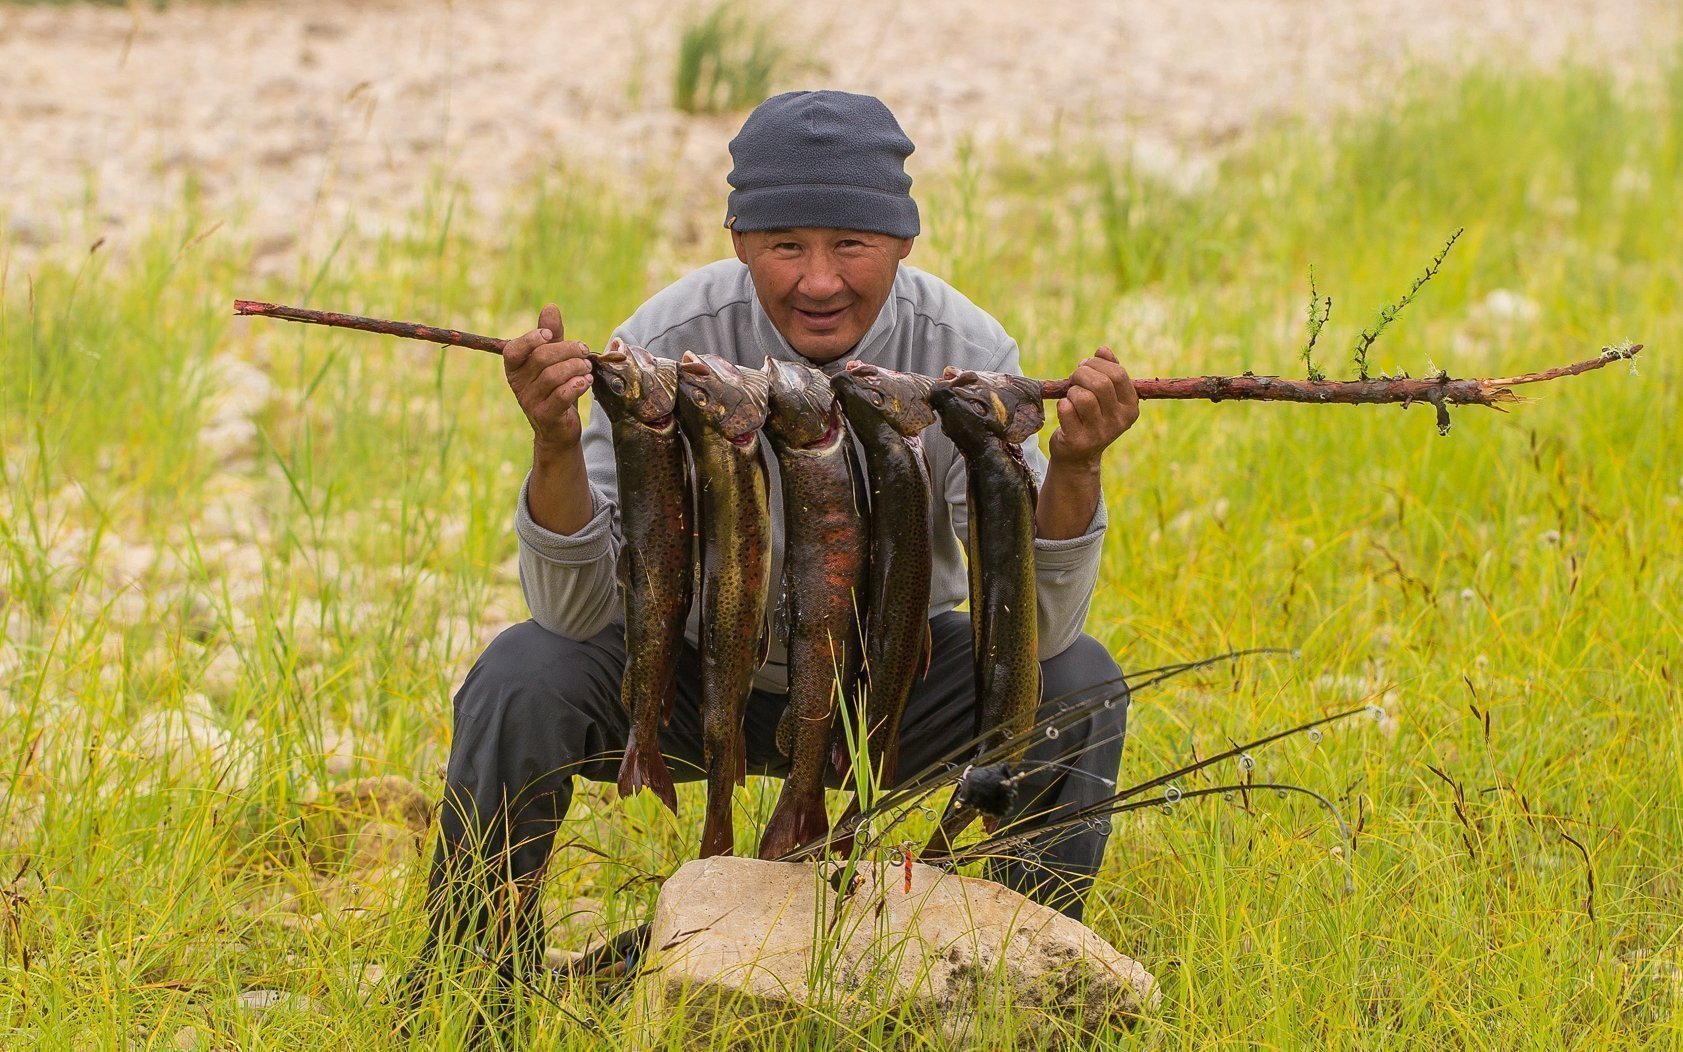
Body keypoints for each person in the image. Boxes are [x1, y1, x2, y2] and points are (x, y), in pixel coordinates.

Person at [416, 90, 1140, 992]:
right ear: (737, 241)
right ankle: (463, 987)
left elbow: (1042, 635)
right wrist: (554, 442)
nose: (819, 280)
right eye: (785, 245)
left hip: (887, 690)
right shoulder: (665, 347)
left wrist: (1074, 470)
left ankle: (1020, 987)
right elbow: (571, 614)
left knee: (1081, 687)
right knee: (521, 676)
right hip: (687, 673)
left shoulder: (965, 353)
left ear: (904, 243)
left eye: (851, 244)